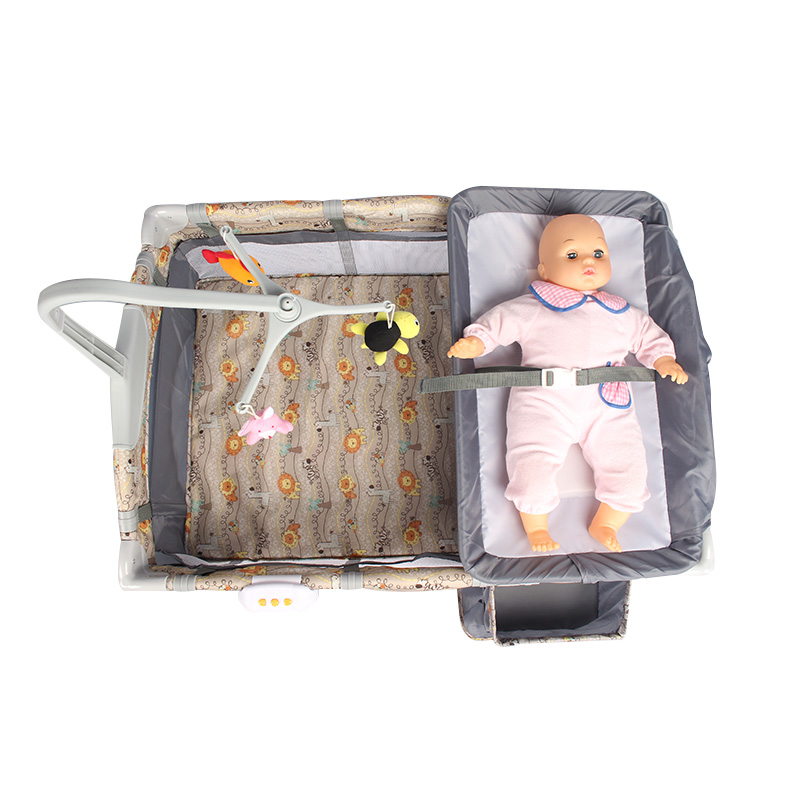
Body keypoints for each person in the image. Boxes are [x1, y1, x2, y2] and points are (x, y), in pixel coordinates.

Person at [448, 214, 687, 553]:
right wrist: (477, 342)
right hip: (543, 403)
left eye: (598, 254)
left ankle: (607, 522)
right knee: (531, 464)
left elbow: (650, 337)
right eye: (572, 255)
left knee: (629, 467)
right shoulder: (535, 307)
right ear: (544, 271)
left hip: (608, 405)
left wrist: (663, 359)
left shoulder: (622, 313)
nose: (589, 261)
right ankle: (536, 527)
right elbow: (499, 322)